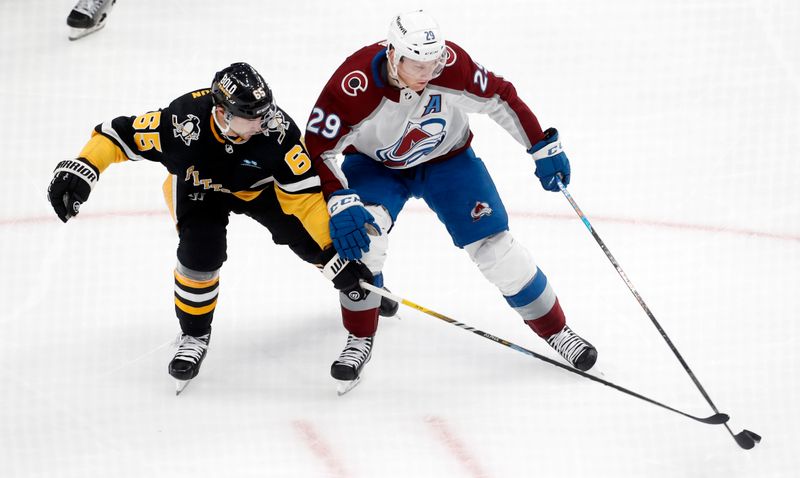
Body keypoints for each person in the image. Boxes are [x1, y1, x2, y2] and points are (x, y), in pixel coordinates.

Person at [47, 62, 382, 393]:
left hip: (263, 189)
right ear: (221, 112)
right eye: (252, 116)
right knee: (199, 254)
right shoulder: (183, 121)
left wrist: (331, 251)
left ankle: (364, 290)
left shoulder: (279, 134)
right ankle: (194, 334)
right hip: (200, 188)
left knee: (314, 245)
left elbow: (307, 201)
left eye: (266, 112)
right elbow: (118, 135)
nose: (262, 122)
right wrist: (84, 166)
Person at [305, 10, 599, 387]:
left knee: (498, 249)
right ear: (393, 55)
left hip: (449, 162)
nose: (429, 73)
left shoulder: (452, 66)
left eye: (434, 61)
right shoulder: (354, 83)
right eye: (417, 64)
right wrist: (339, 200)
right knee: (364, 242)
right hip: (375, 166)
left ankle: (557, 330)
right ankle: (359, 336)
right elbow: (318, 148)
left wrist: (540, 145)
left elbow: (499, 96)